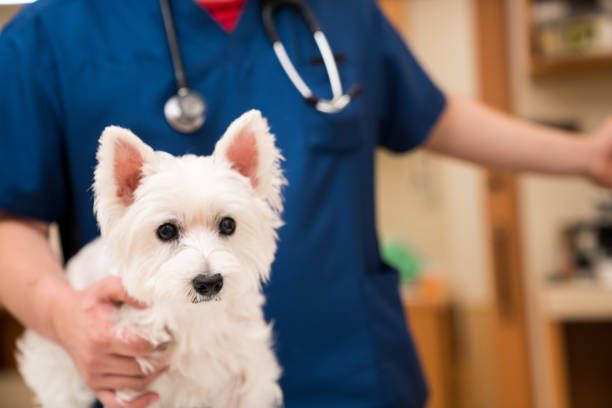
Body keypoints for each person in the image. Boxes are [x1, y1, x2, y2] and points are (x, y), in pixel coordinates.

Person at [0, 1, 611, 407]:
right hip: (162, 380)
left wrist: (587, 156)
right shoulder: (53, 31)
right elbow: (8, 216)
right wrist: (62, 317)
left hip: (353, 376)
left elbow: (434, 113)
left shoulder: (340, 10)